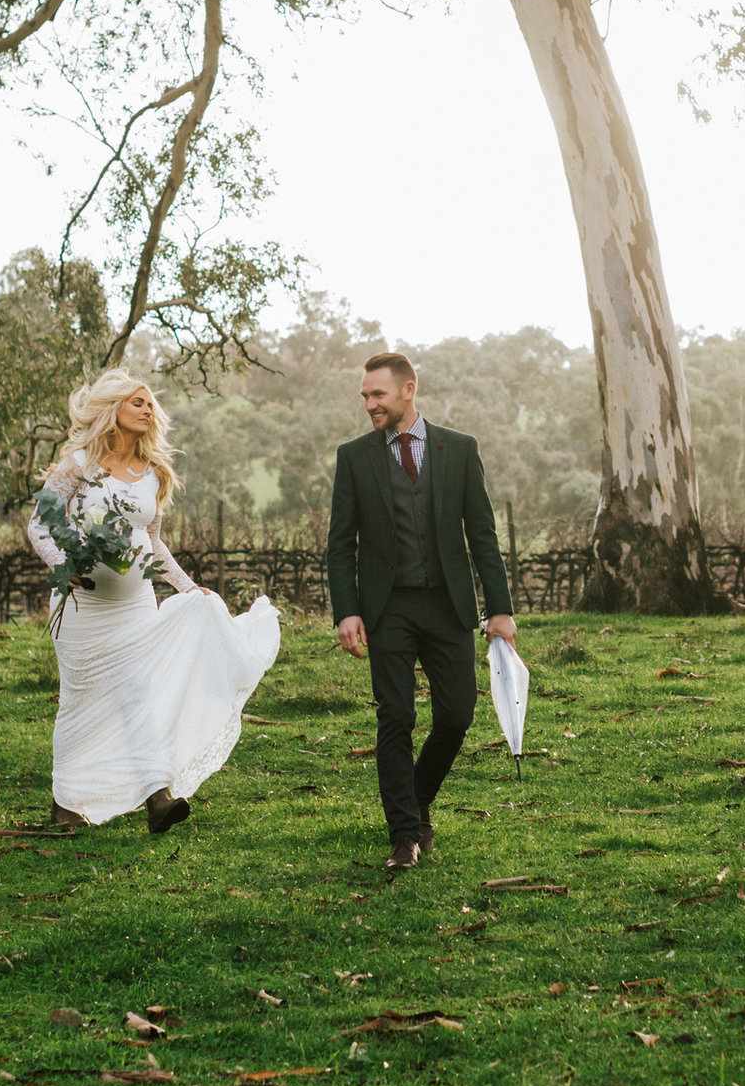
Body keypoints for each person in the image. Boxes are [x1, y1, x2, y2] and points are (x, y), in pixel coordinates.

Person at [26, 367, 281, 834]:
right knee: (80, 700)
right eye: (137, 402)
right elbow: (39, 526)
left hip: (135, 604)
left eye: (150, 404)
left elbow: (154, 542)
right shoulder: (78, 465)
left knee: (139, 697)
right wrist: (65, 565)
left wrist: (187, 588)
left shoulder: (153, 473)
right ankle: (65, 805)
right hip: (82, 608)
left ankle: (157, 796)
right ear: (113, 409)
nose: (147, 410)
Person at [325, 351, 515, 872]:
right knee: (397, 716)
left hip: (448, 605)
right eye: (365, 396)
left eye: (377, 394)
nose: (369, 404)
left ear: (409, 390)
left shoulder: (459, 449)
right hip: (387, 609)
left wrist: (499, 609)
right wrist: (347, 611)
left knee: (456, 715)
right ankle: (404, 835)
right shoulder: (355, 457)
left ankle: (416, 795)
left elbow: (481, 534)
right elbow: (340, 543)